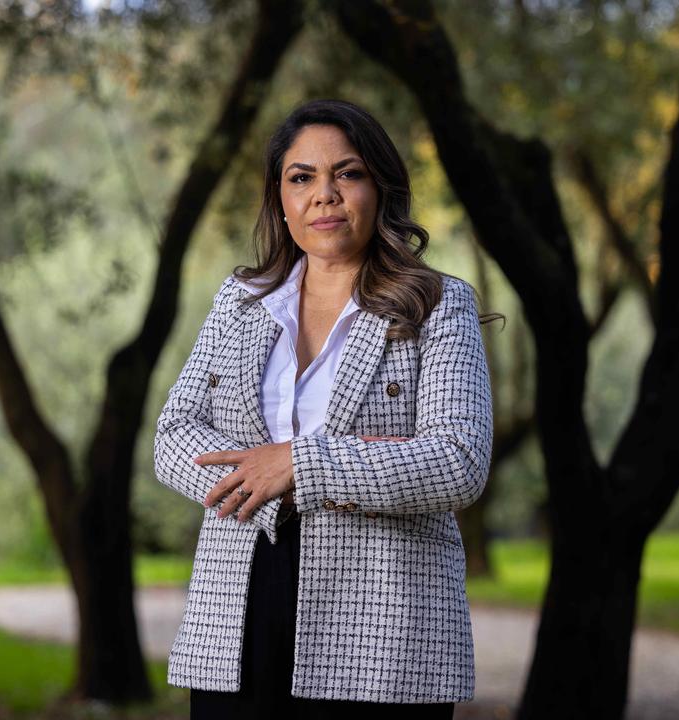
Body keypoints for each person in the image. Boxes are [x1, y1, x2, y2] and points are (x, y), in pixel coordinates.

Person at [153, 98, 496, 719]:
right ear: (281, 201)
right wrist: (272, 477)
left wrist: (299, 465)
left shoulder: (439, 306)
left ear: (380, 189)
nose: (325, 195)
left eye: (349, 173)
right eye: (302, 177)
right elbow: (173, 436)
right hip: (239, 603)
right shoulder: (240, 302)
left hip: (385, 620)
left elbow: (457, 462)